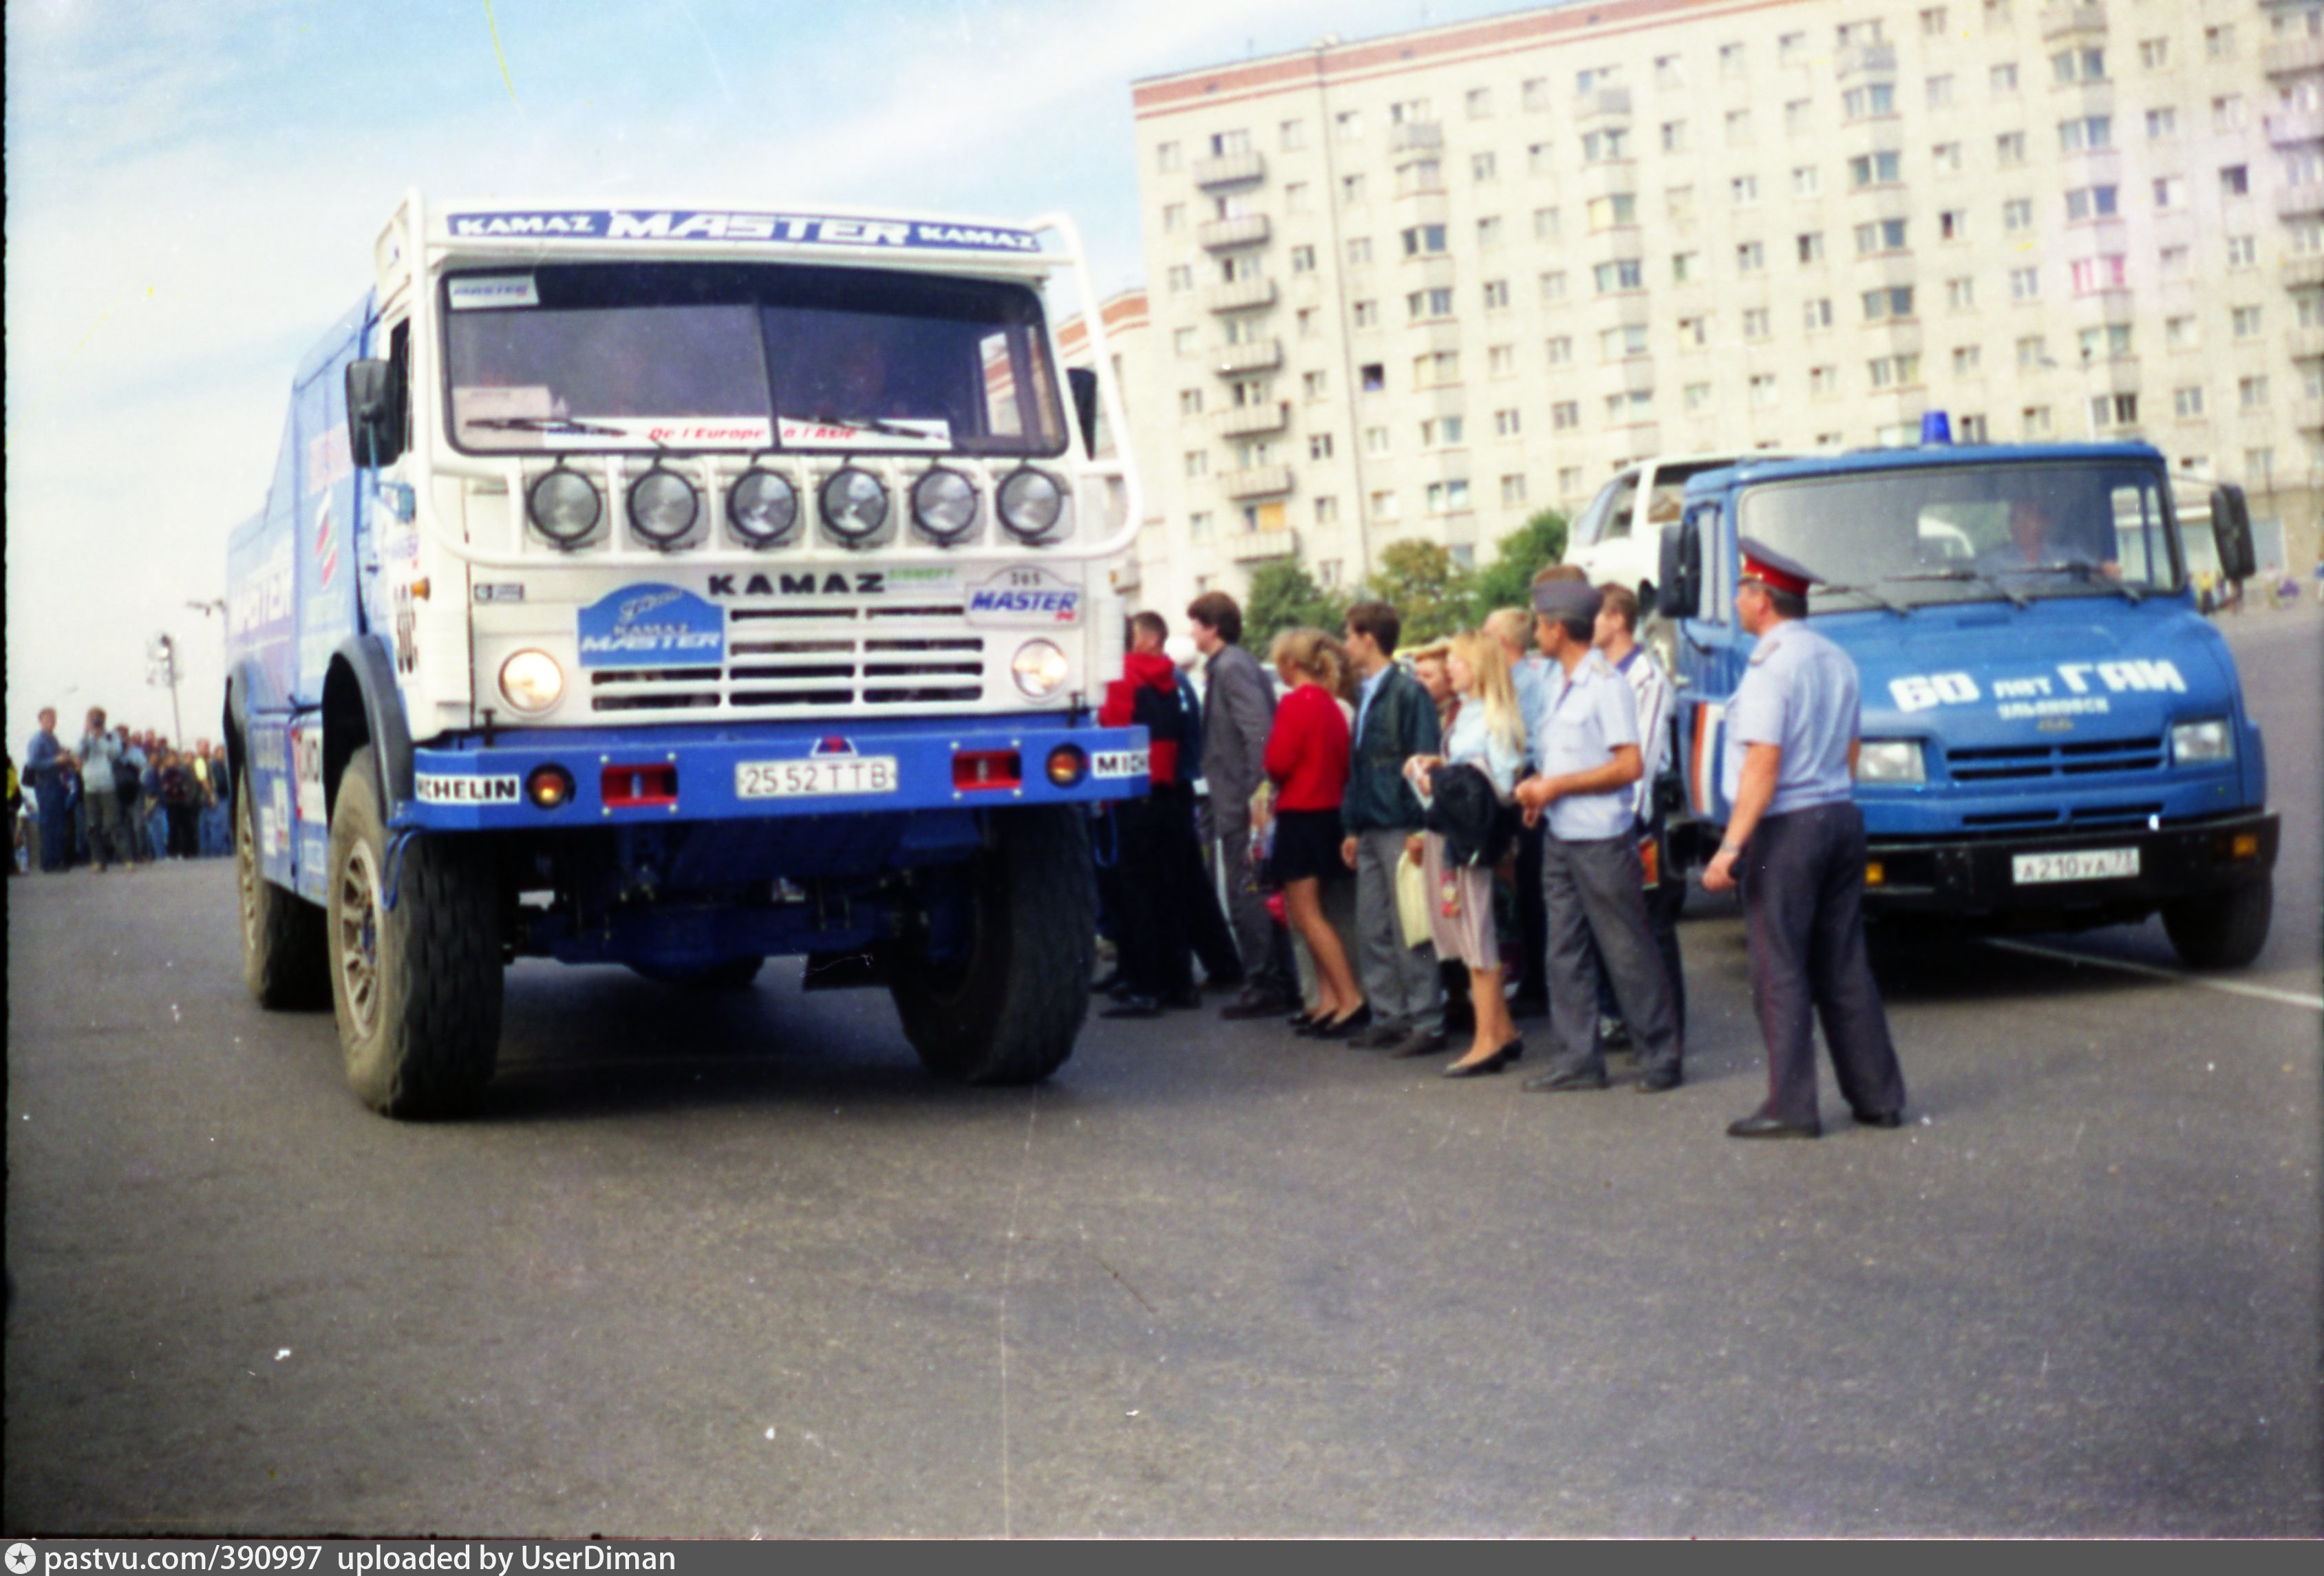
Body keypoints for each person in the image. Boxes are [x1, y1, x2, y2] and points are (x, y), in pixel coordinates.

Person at [1701, 540, 1908, 1139]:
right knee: (1843, 962)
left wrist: (1730, 848)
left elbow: (1762, 761)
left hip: (1786, 825)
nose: (1737, 601)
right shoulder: (1835, 659)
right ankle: (1877, 1097)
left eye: (1742, 591)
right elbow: (1849, 749)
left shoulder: (1771, 665)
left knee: (1778, 966)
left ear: (1762, 600)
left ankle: (1790, 1106)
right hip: (1838, 815)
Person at [1515, 581, 1684, 1095]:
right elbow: (1562, 754)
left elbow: (1630, 765)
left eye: (1540, 624)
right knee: (1562, 949)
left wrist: (1555, 786)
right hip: (1561, 832)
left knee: (1625, 947)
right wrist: (1541, 795)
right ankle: (1578, 1059)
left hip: (1599, 838)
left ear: (1558, 628)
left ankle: (1660, 1056)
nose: (1535, 633)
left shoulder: (1605, 684)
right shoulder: (1554, 682)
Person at [1409, 631, 1528, 1076]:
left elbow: (1497, 786)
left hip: (1472, 842)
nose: (1449, 668)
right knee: (1468, 931)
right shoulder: (1468, 716)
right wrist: (1440, 769)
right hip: (1458, 837)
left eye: (1456, 661)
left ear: (1477, 668)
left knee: (1477, 935)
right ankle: (1503, 1030)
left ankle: (1486, 1040)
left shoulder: (1492, 718)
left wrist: (1437, 782)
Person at [1339, 603, 1445, 1058]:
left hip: (1399, 822)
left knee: (1410, 926)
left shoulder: (1405, 692)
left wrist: (1420, 825)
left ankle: (1426, 1019)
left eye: (1348, 636)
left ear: (1367, 638)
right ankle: (1390, 1014)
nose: (1344, 645)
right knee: (1373, 925)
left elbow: (1421, 756)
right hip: (1370, 821)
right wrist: (1351, 824)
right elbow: (1359, 765)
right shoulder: (1367, 693)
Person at [1188, 592, 1294, 1020]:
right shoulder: (1232, 665)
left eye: (1195, 623)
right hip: (1238, 800)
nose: (1191, 632)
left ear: (1213, 628)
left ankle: (1264, 982)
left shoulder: (1231, 667)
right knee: (1255, 891)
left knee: (1248, 893)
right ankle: (1277, 979)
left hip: (1241, 804)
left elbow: (1259, 733)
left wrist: (1258, 796)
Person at [1593, 584, 1686, 1043]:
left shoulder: (1644, 676)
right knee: (1619, 926)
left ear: (1616, 620)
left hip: (1634, 815)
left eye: (1595, 615)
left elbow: (1643, 759)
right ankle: (1630, 1021)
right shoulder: (1597, 673)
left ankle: (1670, 1027)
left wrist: (1624, 818)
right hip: (1603, 815)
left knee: (1651, 923)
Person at [1262, 628, 1366, 1037]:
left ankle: (1347, 998)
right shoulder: (1331, 704)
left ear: (1290, 665)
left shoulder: (1294, 704)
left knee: (1305, 915)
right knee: (1318, 913)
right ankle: (1329, 999)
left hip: (1300, 811)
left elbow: (1278, 761)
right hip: (1329, 811)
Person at [1096, 612, 1200, 1017]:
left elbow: (1114, 736)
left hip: (1134, 793)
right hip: (1170, 791)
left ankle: (1146, 987)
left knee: (1136, 892)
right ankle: (1180, 983)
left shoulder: (1122, 677)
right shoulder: (1168, 675)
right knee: (1170, 890)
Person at [1485, 605, 1553, 1016]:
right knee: (1523, 885)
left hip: (1525, 784)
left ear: (1502, 643)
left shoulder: (1522, 684)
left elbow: (1522, 741)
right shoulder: (1516, 680)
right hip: (1515, 784)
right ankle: (1534, 976)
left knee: (1533, 885)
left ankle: (1540, 982)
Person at [1980, 496, 2120, 580]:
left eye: (2028, 517)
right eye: (2015, 519)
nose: (2021, 524)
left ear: (2044, 522)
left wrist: (2107, 571)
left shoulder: (2069, 556)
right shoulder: (1992, 563)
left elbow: (2099, 573)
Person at [75, 707, 137, 873]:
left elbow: (114, 753)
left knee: (114, 822)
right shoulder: (85, 737)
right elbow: (78, 754)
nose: (96, 722)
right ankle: (98, 860)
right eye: (92, 719)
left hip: (108, 785)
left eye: (98, 719)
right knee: (92, 825)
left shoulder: (111, 736)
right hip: (90, 786)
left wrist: (100, 738)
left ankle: (127, 858)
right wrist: (86, 734)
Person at [24, 707, 68, 873]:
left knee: (58, 823)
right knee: (49, 822)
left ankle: (57, 859)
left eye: (54, 718)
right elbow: (34, 763)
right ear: (41, 720)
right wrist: (55, 760)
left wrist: (65, 759)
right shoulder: (38, 740)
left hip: (57, 782)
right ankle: (49, 861)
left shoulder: (53, 739)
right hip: (45, 784)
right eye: (48, 718)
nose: (52, 721)